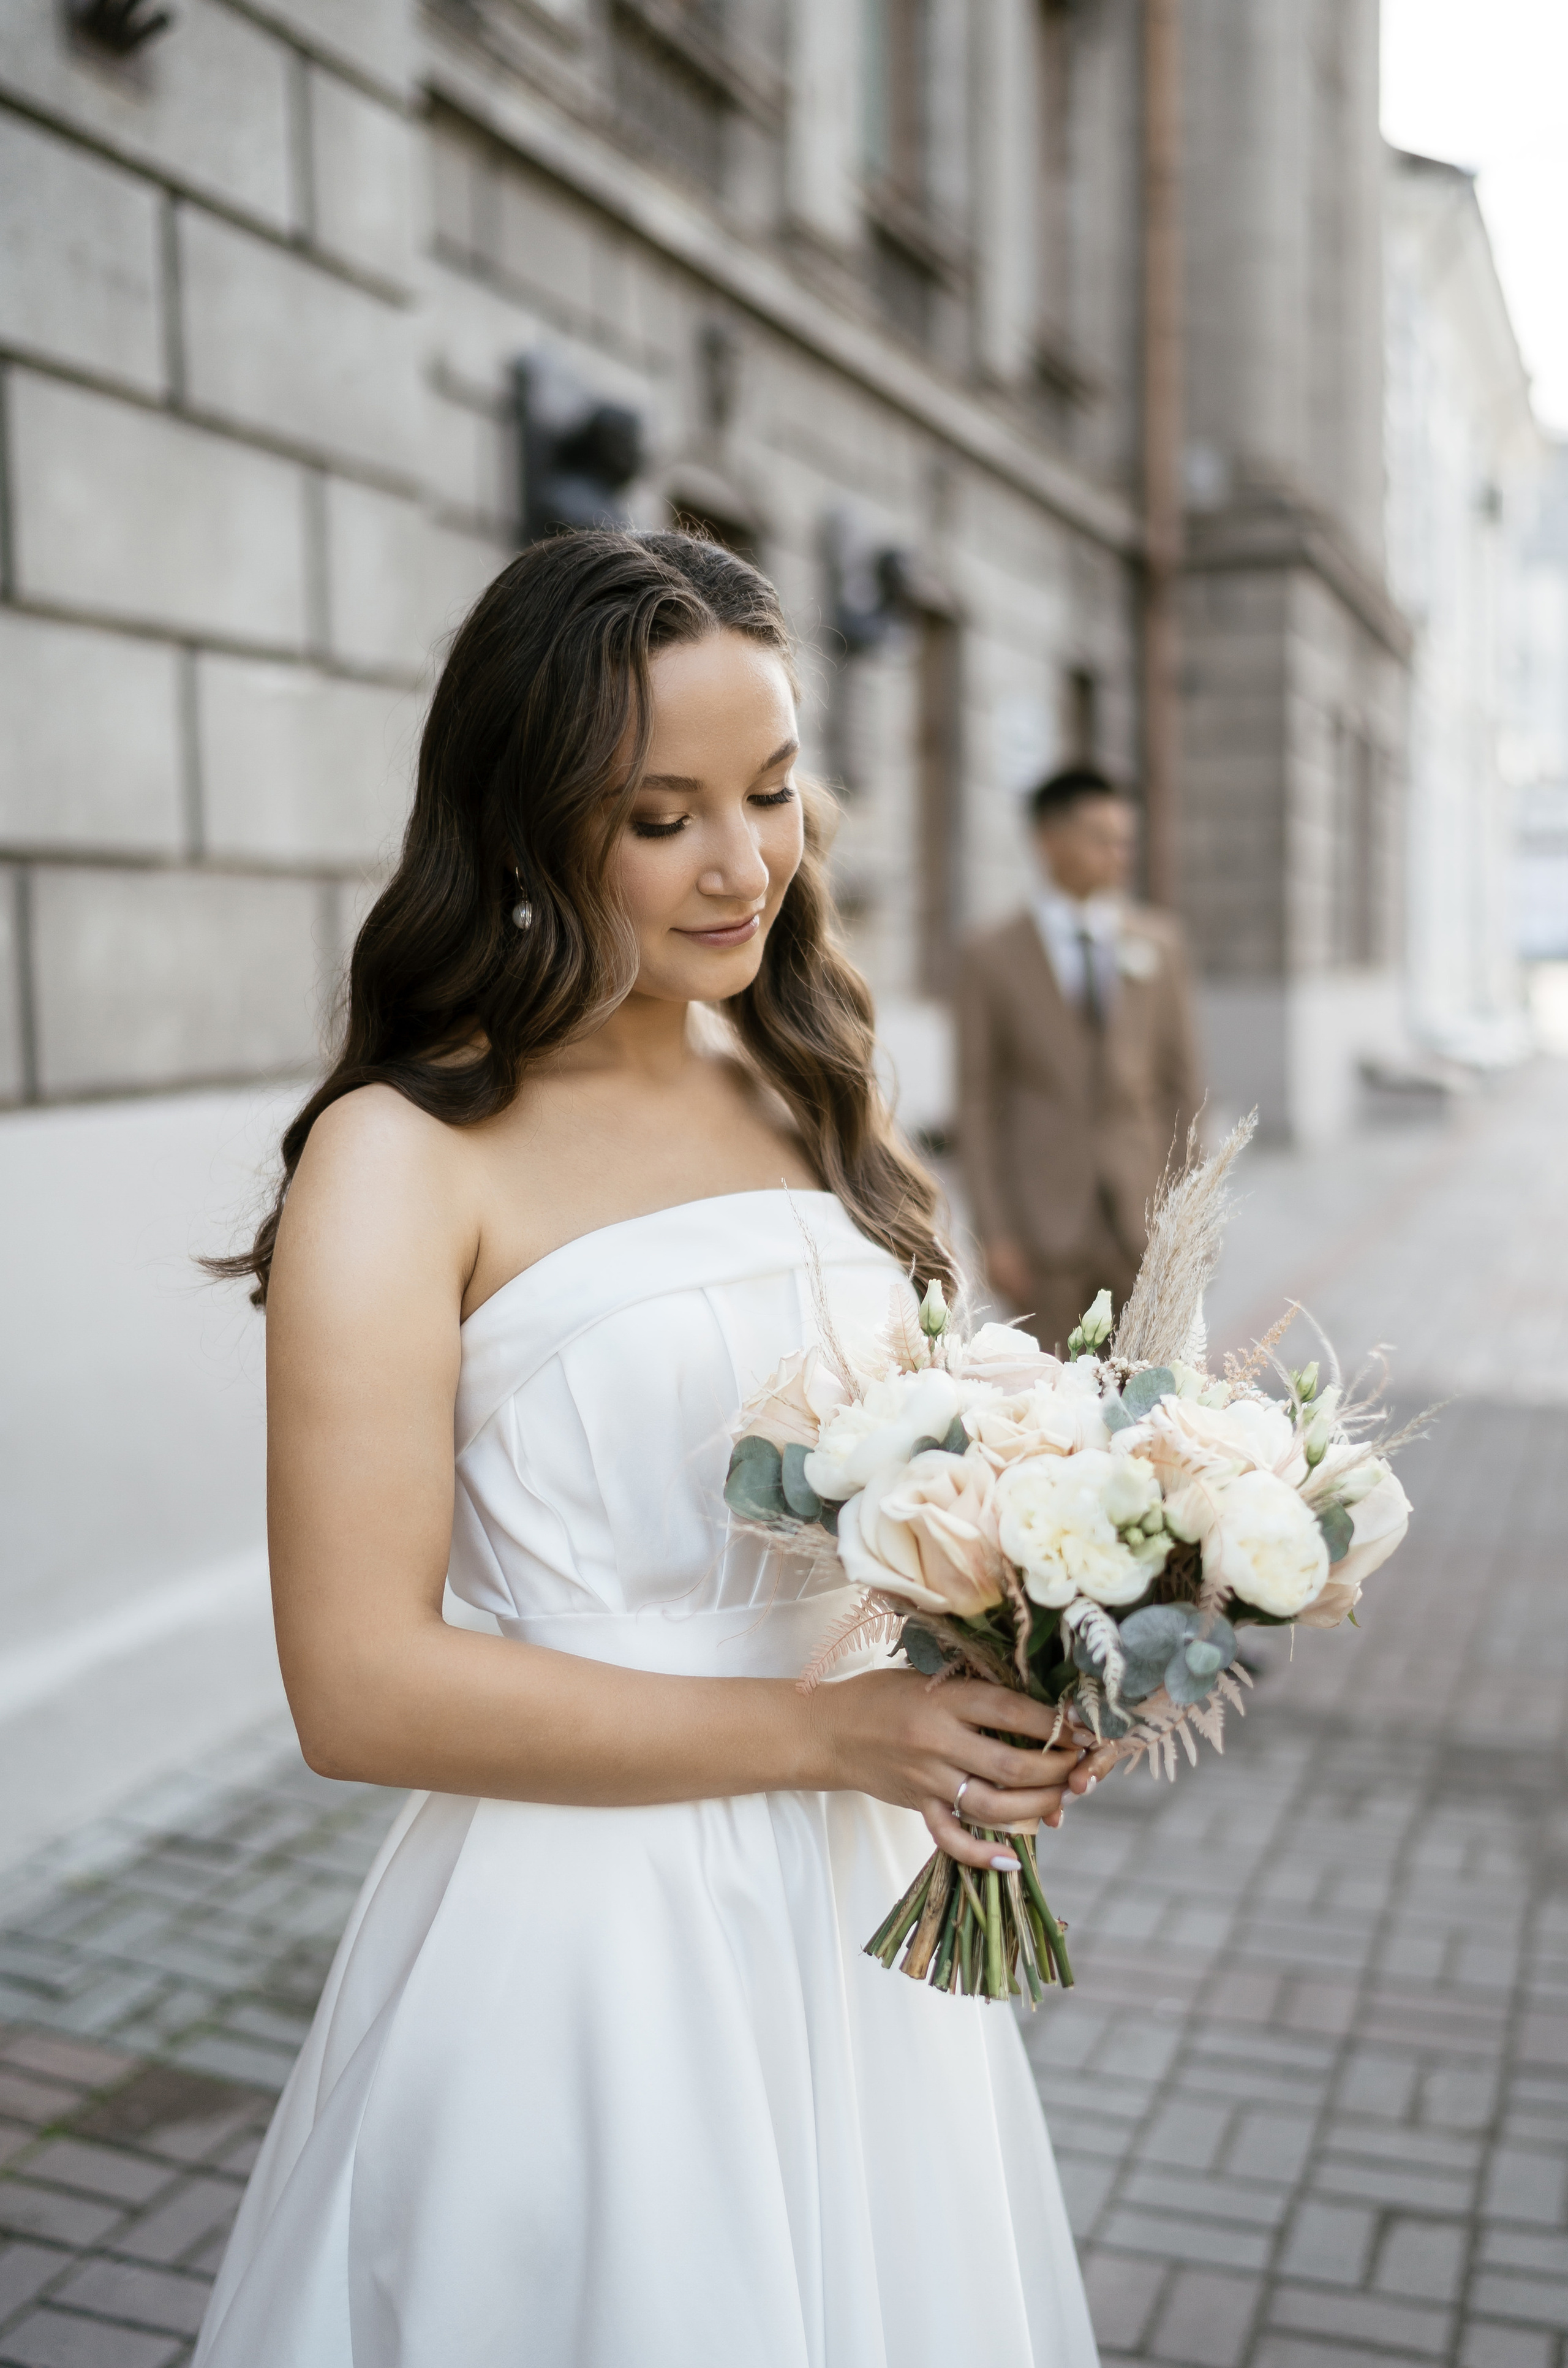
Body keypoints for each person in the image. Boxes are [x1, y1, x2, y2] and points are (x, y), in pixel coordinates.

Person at [194, 532, 1109, 2367]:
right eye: (659, 815)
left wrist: (1001, 1670)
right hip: (586, 1937)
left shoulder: (799, 1080)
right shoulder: (401, 1153)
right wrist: (821, 1731)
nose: (741, 860)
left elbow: (896, 1500)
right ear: (525, 824)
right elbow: (356, 1688)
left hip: (858, 1915)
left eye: (770, 792)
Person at [957, 765, 1201, 1355]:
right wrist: (995, 1233)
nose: (1119, 854)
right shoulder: (990, 956)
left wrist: (1186, 1222)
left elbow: (1183, 1089)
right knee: (1054, 1412)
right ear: (1049, 840)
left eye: (1125, 839)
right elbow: (977, 1102)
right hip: (1045, 1234)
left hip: (1142, 1228)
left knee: (1149, 1400)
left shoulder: (1160, 945)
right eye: (1101, 838)